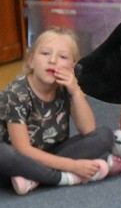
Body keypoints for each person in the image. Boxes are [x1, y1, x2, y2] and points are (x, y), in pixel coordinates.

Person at [0, 27, 114, 195]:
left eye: (62, 57)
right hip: (16, 160)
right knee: (3, 154)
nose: (52, 60)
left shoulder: (65, 88)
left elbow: (88, 129)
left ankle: (34, 178)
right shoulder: (16, 93)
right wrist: (74, 166)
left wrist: (75, 92)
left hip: (51, 151)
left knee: (105, 136)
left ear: (72, 66)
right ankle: (64, 178)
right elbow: (23, 149)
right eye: (45, 54)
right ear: (31, 60)